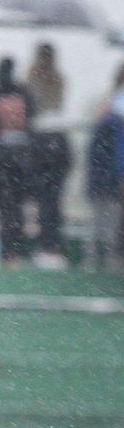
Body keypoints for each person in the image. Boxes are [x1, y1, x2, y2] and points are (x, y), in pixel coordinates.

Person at [0, 56, 38, 265]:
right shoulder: (24, 92)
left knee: (5, 206)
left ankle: (8, 249)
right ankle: (17, 249)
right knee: (17, 206)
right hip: (21, 155)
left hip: (0, 156)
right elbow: (31, 121)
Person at [27, 42, 72, 269]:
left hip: (41, 139)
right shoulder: (60, 79)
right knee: (55, 199)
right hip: (60, 139)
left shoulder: (34, 78)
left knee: (44, 199)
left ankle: (46, 245)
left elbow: (34, 107)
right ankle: (55, 247)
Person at [83, 63, 124, 272]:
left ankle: (99, 256)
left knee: (103, 217)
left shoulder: (109, 110)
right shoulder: (112, 114)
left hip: (103, 171)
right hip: (107, 172)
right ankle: (104, 256)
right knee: (108, 217)